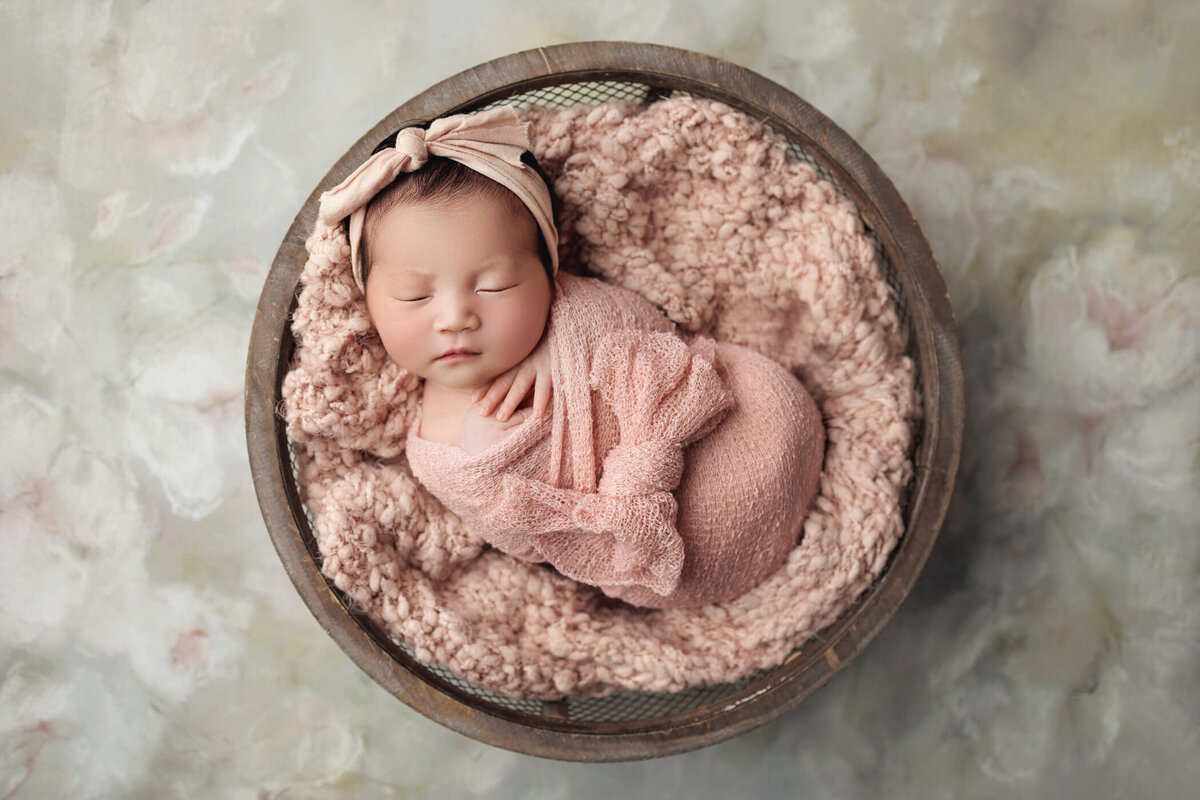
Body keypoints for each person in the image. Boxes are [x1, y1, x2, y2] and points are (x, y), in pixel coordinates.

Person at [316, 105, 824, 609]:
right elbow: (532, 542)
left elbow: (654, 330)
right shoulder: (433, 455)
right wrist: (485, 464)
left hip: (759, 421)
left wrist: (566, 347)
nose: (455, 317)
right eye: (413, 297)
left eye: (495, 286)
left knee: (765, 396)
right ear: (369, 304)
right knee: (653, 565)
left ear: (547, 270)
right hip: (674, 553)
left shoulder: (569, 308)